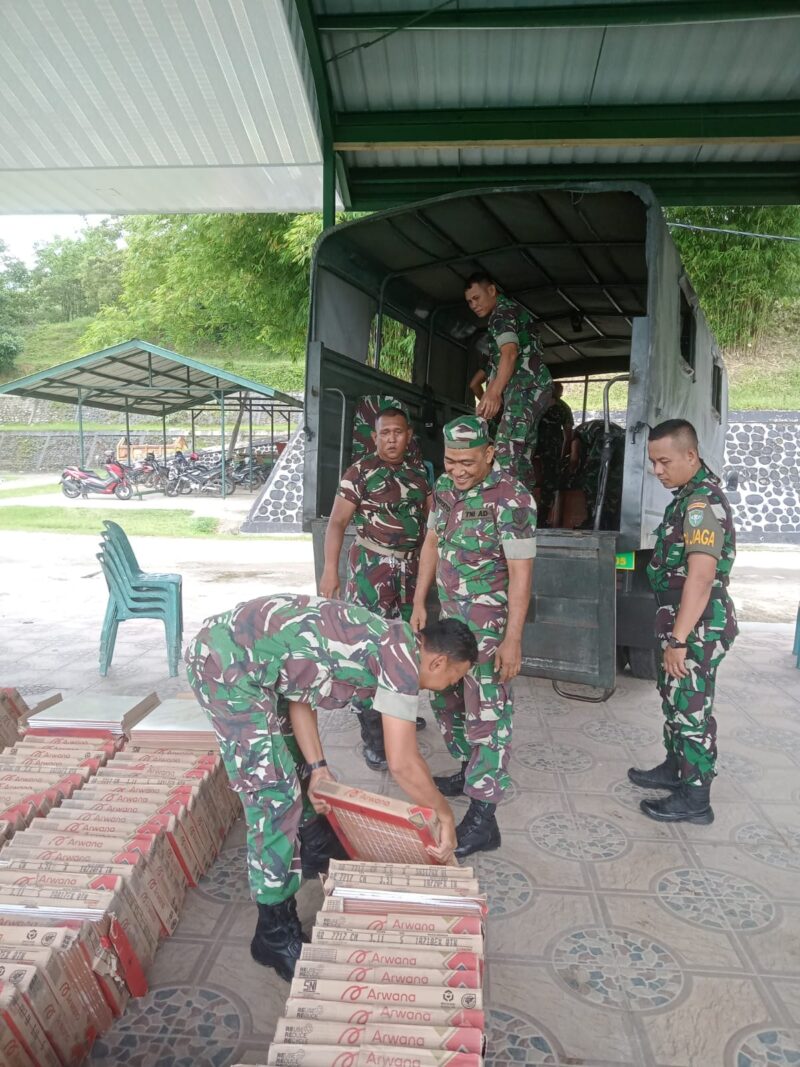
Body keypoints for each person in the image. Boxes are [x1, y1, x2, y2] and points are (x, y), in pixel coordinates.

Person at [185, 594, 478, 981]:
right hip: (225, 668)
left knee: (299, 771)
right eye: (452, 680)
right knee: (273, 796)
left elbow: (298, 691)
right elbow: (403, 762)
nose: (444, 689)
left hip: (254, 664)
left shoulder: (394, 639)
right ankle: (272, 932)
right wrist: (442, 813)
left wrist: (319, 767)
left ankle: (312, 845)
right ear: (438, 661)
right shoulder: (402, 664)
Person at [411, 416, 537, 858]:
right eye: (450, 460)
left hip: (489, 629)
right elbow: (430, 545)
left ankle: (484, 818)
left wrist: (513, 639)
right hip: (449, 622)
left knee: (488, 714)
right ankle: (469, 769)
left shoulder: (512, 499)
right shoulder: (444, 490)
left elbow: (522, 574)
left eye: (467, 461)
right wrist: (418, 603)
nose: (458, 469)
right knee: (445, 700)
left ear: (490, 453)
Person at [628, 420, 738, 824]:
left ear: (690, 455)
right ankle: (676, 769)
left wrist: (679, 640)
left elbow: (702, 576)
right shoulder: (687, 495)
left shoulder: (700, 504)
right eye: (653, 461)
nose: (657, 470)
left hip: (696, 625)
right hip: (681, 619)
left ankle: (695, 799)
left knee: (690, 709)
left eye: (664, 461)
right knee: (675, 701)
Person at [319, 402, 430, 770]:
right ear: (375, 436)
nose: (392, 439)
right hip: (371, 570)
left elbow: (432, 527)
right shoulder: (360, 472)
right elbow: (336, 523)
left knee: (408, 645)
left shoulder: (418, 474)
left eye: (398, 432)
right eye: (385, 433)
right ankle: (373, 736)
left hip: (411, 571)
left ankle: (396, 715)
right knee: (368, 648)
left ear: (408, 435)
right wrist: (330, 572)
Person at [464, 272, 553, 492]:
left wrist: (494, 393)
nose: (473, 305)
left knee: (505, 450)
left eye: (477, 298)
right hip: (529, 389)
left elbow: (509, 353)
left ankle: (505, 509)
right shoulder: (508, 312)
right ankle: (523, 507)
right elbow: (496, 365)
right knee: (520, 453)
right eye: (469, 301)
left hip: (526, 389)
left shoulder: (501, 314)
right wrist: (489, 395)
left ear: (492, 291)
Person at [534, 382, 573, 526]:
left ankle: (538, 517)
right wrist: (563, 454)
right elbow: (568, 434)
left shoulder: (536, 403)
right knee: (549, 483)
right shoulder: (563, 407)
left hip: (535, 447)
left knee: (543, 482)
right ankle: (542, 518)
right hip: (550, 449)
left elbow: (568, 434)